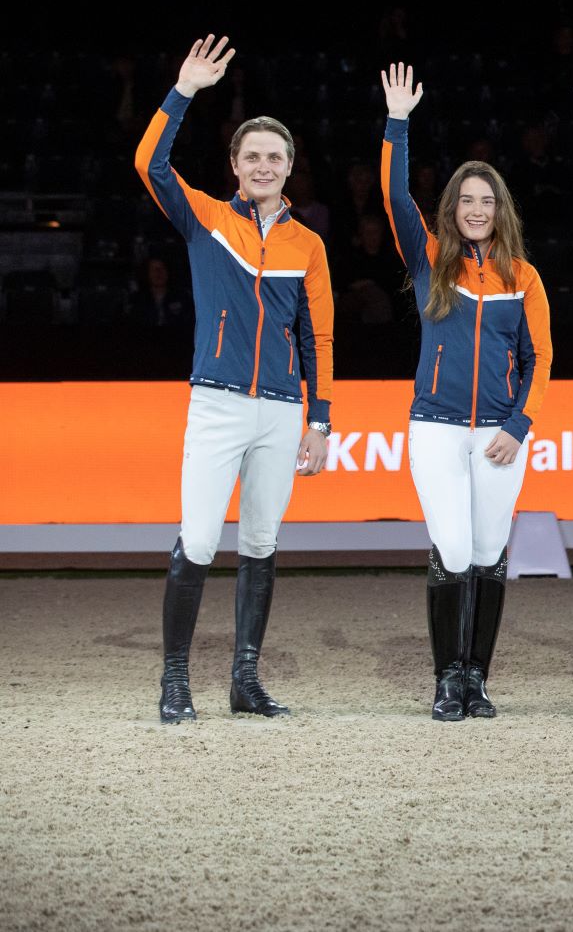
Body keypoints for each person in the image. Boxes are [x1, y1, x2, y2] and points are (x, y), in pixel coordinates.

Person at [135, 35, 333, 723]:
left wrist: (320, 420)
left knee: (260, 544)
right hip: (217, 405)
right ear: (234, 165)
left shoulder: (309, 245)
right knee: (197, 541)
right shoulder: (207, 221)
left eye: (275, 157)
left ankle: (245, 681)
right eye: (252, 156)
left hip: (280, 413)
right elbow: (149, 163)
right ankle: (174, 681)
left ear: (290, 167)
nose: (263, 166)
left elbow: (317, 338)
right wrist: (183, 90)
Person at [380, 63, 553, 721]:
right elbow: (394, 197)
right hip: (436, 428)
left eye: (487, 201)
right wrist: (397, 123)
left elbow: (541, 358)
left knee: (487, 554)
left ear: (500, 210)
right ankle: (445, 678)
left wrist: (519, 425)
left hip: (500, 437)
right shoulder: (431, 261)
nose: (477, 210)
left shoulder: (523, 277)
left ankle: (476, 679)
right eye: (466, 201)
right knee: (452, 549)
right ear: (452, 209)